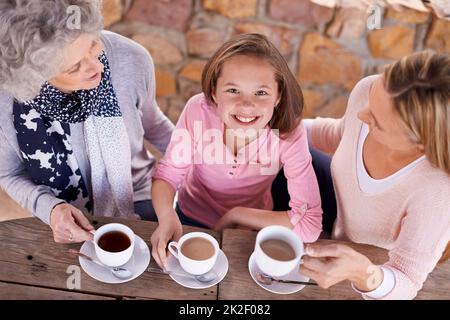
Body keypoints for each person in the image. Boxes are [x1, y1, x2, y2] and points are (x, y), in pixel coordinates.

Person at [0, 0, 173, 244]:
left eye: (93, 44)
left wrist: (200, 163)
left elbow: (154, 124)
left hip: (140, 195)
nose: (98, 65)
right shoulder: (6, 102)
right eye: (74, 67)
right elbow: (9, 174)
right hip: (67, 216)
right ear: (34, 77)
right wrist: (51, 209)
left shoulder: (132, 58)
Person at [150, 33, 323, 269]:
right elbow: (168, 174)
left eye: (261, 92)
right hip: (188, 218)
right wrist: (166, 216)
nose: (246, 105)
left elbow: (310, 225)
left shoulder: (288, 132)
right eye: (233, 90)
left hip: (250, 228)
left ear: (278, 96)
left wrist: (237, 214)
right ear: (214, 92)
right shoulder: (197, 110)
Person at [298, 50, 450, 299]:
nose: (362, 115)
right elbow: (339, 133)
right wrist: (269, 130)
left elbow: (407, 281)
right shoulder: (367, 90)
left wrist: (364, 274)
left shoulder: (438, 193)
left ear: (422, 143)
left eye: (376, 123)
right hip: (333, 210)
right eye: (371, 100)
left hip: (358, 260)